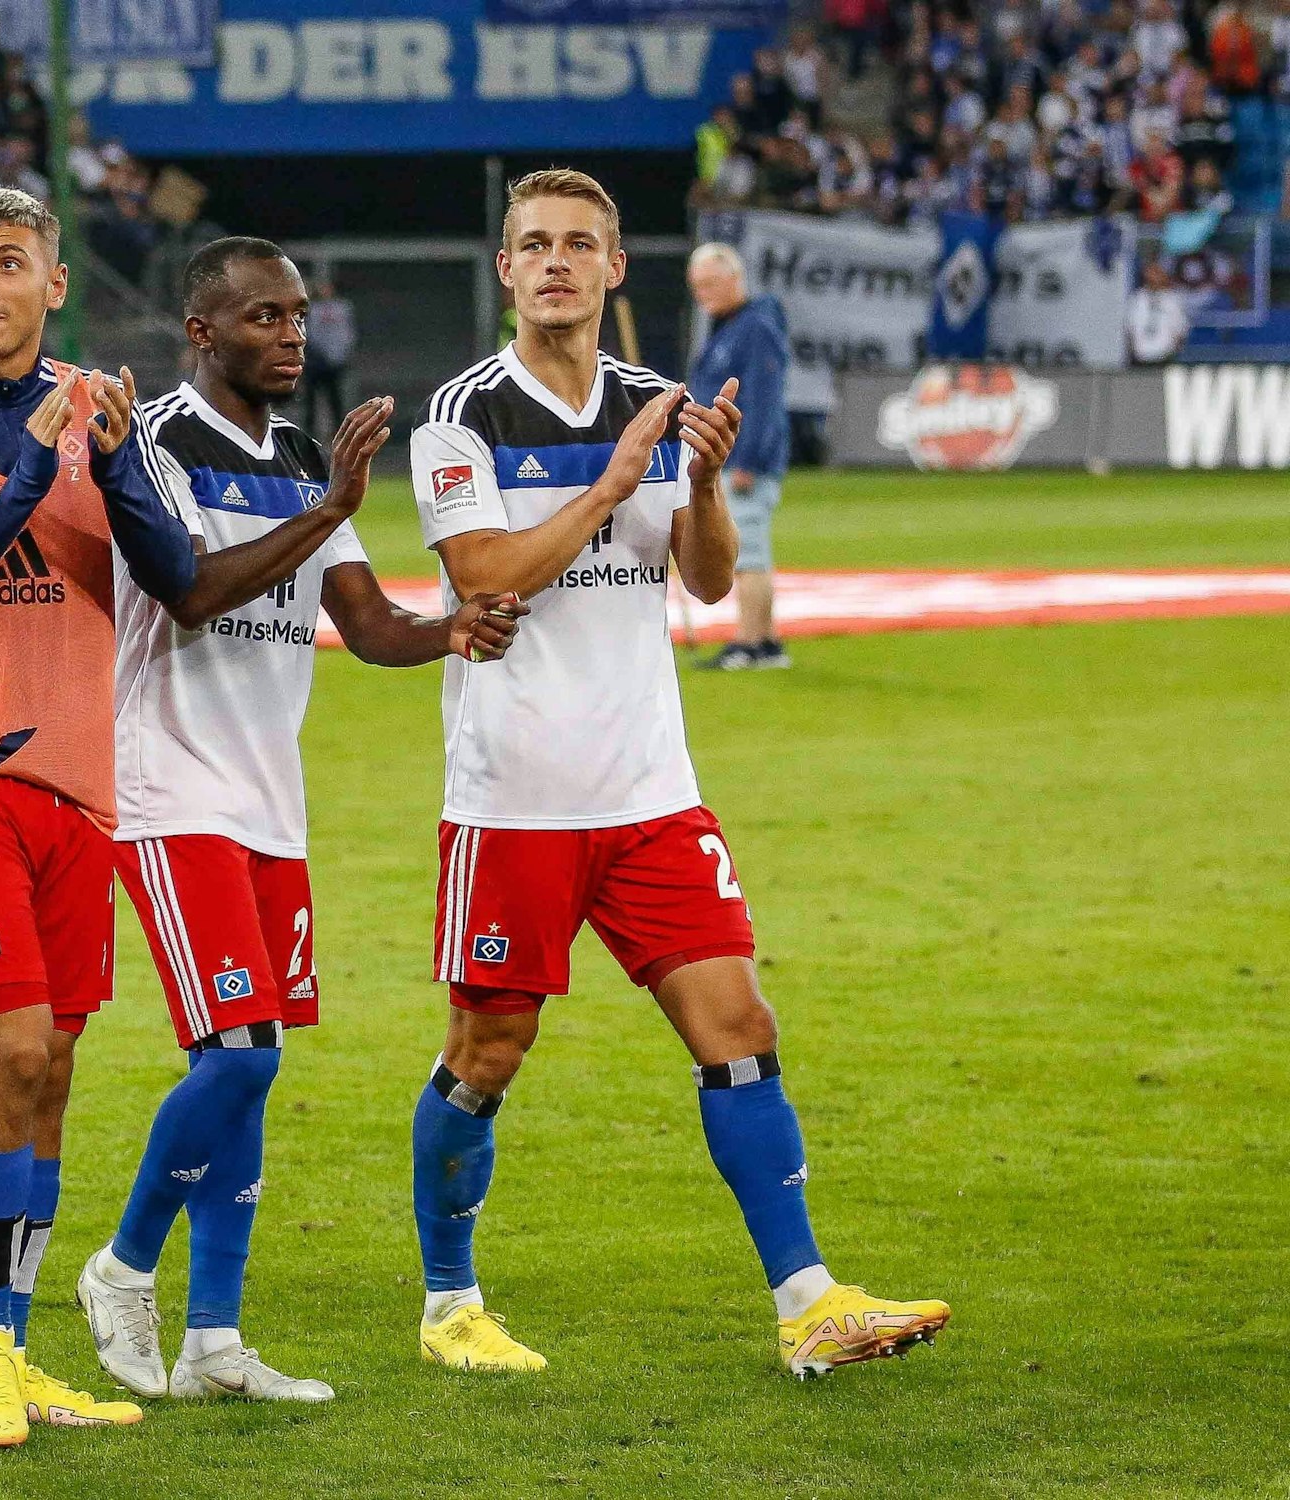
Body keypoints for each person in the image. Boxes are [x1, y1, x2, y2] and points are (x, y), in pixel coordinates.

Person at [0, 186, 406, 1449]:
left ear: (55, 287)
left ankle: (27, 1343)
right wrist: (35, 474)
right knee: (12, 1055)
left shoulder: (112, 423)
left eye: (7, 263)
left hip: (81, 792)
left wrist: (116, 458)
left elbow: (181, 581)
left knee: (56, 1079)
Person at [405, 168, 947, 1380]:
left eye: (577, 245)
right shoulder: (460, 416)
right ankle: (449, 1302)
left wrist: (697, 482)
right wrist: (612, 483)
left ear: (613, 269)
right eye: (531, 244)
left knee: (739, 1027)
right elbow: (489, 576)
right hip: (514, 800)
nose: (553, 262)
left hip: (649, 791)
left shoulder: (660, 400)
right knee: (486, 1051)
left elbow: (701, 581)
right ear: (504, 270)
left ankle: (806, 1302)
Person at [74, 239, 524, 1407]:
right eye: (264, 316)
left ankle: (214, 1346)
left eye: (298, 315)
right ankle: (121, 1270)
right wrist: (328, 506)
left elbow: (368, 626)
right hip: (167, 789)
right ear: (202, 331)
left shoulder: (299, 455)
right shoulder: (155, 438)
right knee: (239, 1052)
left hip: (269, 802)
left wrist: (455, 628)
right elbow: (187, 589)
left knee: (247, 1070)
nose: (291, 333)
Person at [685, 243, 792, 669]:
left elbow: (764, 398)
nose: (703, 295)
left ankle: (749, 645)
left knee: (747, 554)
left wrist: (747, 458)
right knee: (753, 550)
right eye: (697, 287)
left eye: (711, 284)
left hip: (744, 459)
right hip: (733, 455)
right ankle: (765, 641)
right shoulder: (731, 326)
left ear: (735, 279)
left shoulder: (755, 327)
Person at [300, 275, 355, 438]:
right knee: (310, 400)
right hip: (315, 361)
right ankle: (308, 434)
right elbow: (308, 333)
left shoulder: (343, 308)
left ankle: (340, 433)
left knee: (335, 399)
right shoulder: (312, 309)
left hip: (334, 362)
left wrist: (341, 353)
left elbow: (348, 333)